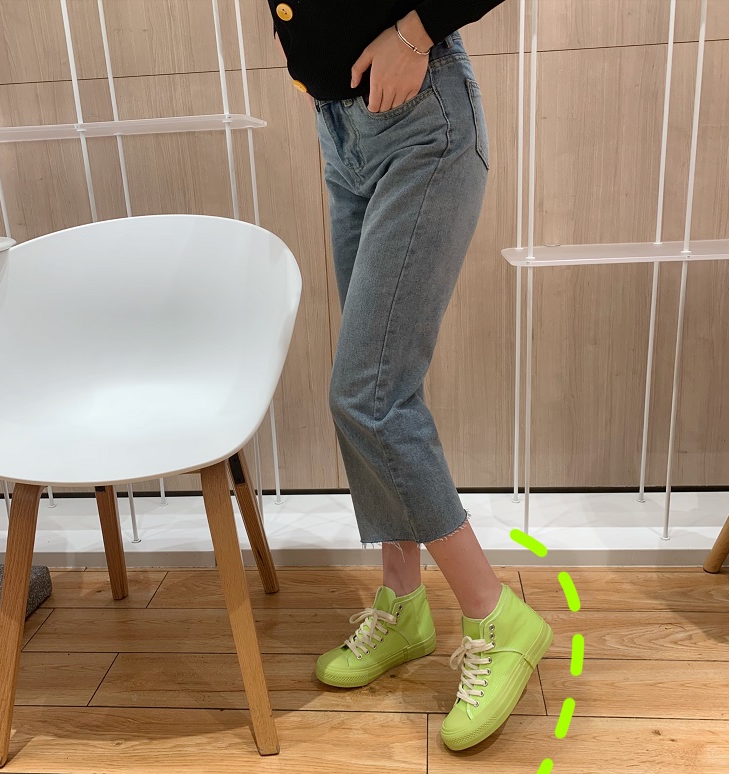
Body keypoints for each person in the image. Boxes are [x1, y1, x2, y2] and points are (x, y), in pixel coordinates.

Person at [268, 0, 553, 750]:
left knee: (368, 396)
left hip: (422, 121)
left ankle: (496, 612)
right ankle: (403, 602)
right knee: (379, 387)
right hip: (341, 130)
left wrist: (412, 33)